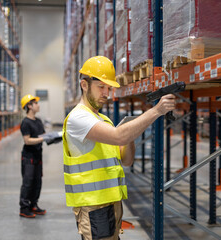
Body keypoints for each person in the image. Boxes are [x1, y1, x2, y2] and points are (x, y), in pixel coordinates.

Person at [62, 56, 176, 240]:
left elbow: (127, 160)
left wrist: (129, 134)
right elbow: (118, 136)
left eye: (108, 88)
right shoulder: (78, 118)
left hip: (111, 203)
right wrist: (156, 111)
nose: (106, 93)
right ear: (84, 85)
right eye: (101, 87)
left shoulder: (104, 120)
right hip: (93, 207)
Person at [19, 94, 59, 218]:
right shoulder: (25, 122)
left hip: (38, 156)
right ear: (29, 106)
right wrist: (42, 139)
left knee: (37, 182)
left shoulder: (38, 121)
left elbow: (43, 136)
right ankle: (24, 208)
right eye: (35, 103)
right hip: (28, 157)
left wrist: (56, 137)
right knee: (28, 182)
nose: (38, 105)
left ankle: (33, 205)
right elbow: (27, 140)